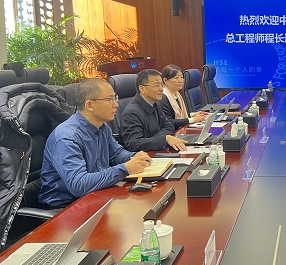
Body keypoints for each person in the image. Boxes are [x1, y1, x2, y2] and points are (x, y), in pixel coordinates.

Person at [39, 79, 151, 209]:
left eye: (115, 98)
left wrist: (134, 157)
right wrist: (125, 169)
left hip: (97, 193)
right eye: (110, 99)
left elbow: (116, 154)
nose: (116, 104)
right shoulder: (67, 137)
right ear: (90, 105)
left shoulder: (102, 127)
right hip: (66, 207)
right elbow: (79, 185)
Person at [121, 69, 188, 152]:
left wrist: (161, 139)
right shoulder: (132, 113)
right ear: (142, 89)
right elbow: (134, 144)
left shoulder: (155, 104)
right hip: (143, 156)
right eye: (156, 85)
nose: (161, 89)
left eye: (162, 85)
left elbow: (169, 126)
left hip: (157, 150)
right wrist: (163, 139)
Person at [160, 64, 208, 130]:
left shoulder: (176, 93)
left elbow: (179, 115)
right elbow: (168, 121)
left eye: (181, 77)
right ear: (165, 80)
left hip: (181, 129)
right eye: (176, 78)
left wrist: (193, 114)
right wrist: (192, 119)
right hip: (172, 132)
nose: (180, 81)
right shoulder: (163, 98)